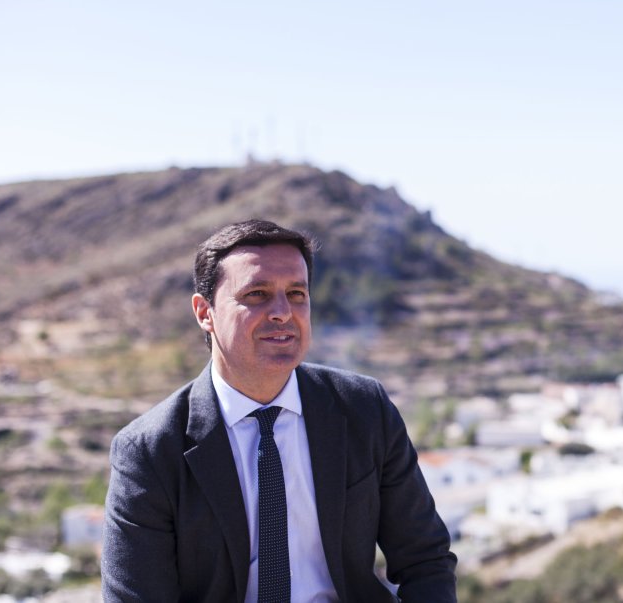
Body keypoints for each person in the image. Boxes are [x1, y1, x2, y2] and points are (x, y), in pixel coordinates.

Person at [102, 219, 457, 602]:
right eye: (256, 294)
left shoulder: (364, 409)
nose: (282, 312)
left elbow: (426, 559)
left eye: (297, 294)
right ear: (205, 312)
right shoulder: (150, 451)